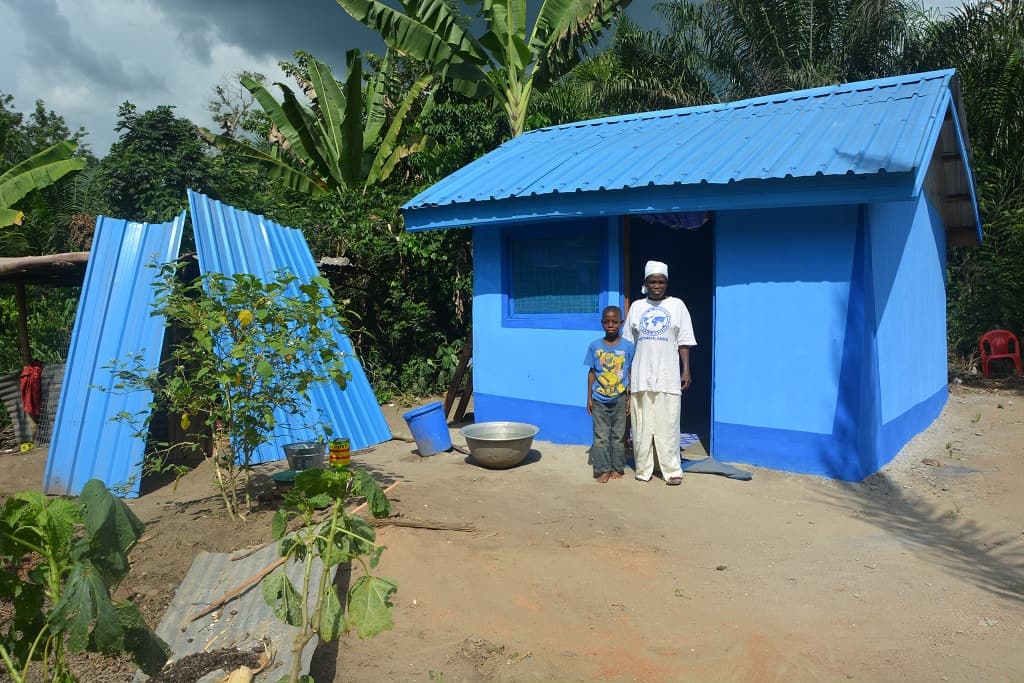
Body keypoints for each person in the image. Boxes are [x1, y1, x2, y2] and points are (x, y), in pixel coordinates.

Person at [623, 260, 697, 485]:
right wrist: (626, 375)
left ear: (666, 284)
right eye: (652, 281)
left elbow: (684, 341)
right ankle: (643, 469)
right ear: (645, 283)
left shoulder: (677, 306)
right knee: (641, 424)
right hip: (641, 374)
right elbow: (627, 344)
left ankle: (671, 469)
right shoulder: (636, 307)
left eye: (661, 282)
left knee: (669, 424)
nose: (657, 285)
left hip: (668, 375)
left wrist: (686, 370)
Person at [584, 305, 635, 483]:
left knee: (619, 436)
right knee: (601, 436)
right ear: (602, 323)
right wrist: (589, 398)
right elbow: (591, 373)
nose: (611, 325)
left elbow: (630, 373)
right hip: (599, 399)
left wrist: (630, 397)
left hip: (620, 398)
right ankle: (603, 469)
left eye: (614, 322)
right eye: (607, 322)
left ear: (621, 323)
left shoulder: (629, 347)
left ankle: (617, 467)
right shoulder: (594, 346)